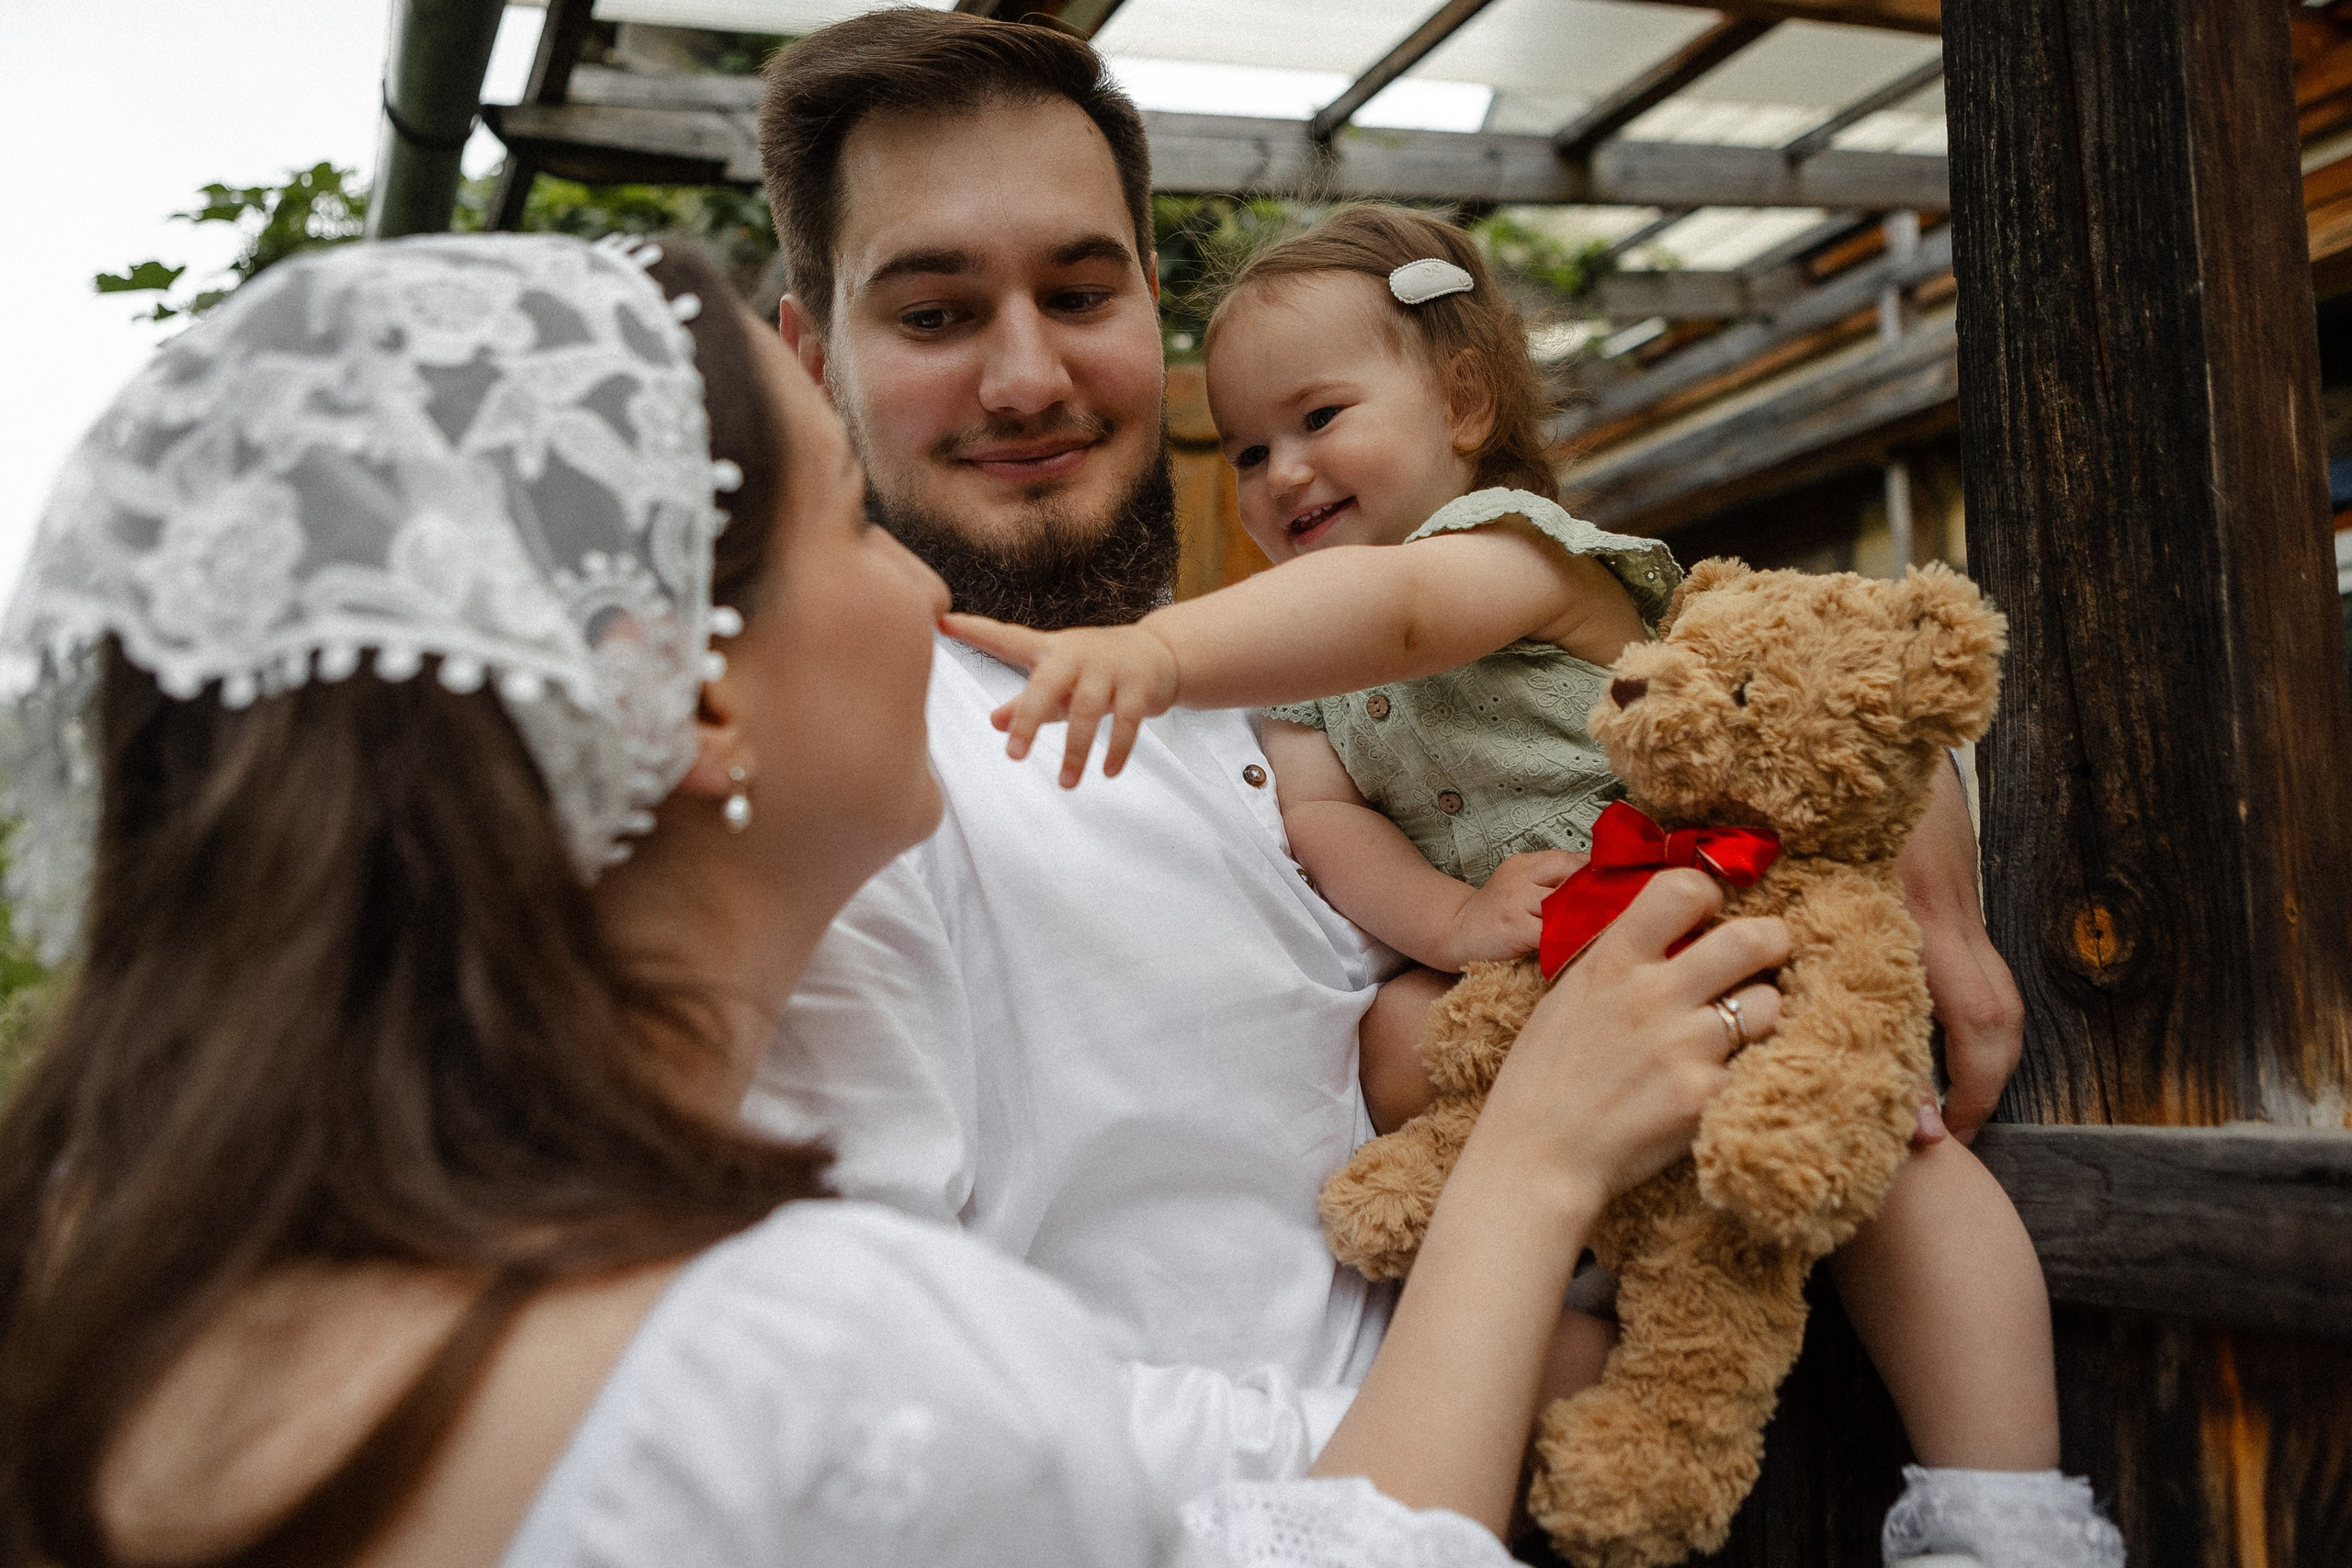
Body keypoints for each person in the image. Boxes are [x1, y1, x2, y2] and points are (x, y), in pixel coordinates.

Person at [0, 231, 1799, 1566]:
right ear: (691, 698)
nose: (923, 598)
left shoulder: (154, 1327)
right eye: (854, 520)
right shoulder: (813, 1361)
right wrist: (1530, 1171)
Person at [751, 5, 2033, 1507]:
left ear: (1148, 310)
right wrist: (1504, 1280)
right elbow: (888, 1420)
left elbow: (1765, 675)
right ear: (810, 361)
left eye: (1080, 292)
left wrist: (1924, 867)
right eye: (933, 314)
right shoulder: (826, 800)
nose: (1028, 376)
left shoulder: (1268, 680)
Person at [957, 204, 2127, 1565]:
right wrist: (1451, 919)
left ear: (1463, 403)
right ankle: (1610, 1305)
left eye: (1320, 417)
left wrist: (1157, 655)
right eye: (1249, 449)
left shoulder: (1514, 551)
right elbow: (1329, 830)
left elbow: (1403, 615)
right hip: (1552, 1001)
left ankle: (2005, 1509)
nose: (1281, 475)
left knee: (1895, 1170)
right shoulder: (1299, 694)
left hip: (1719, 924)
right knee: (1396, 1042)